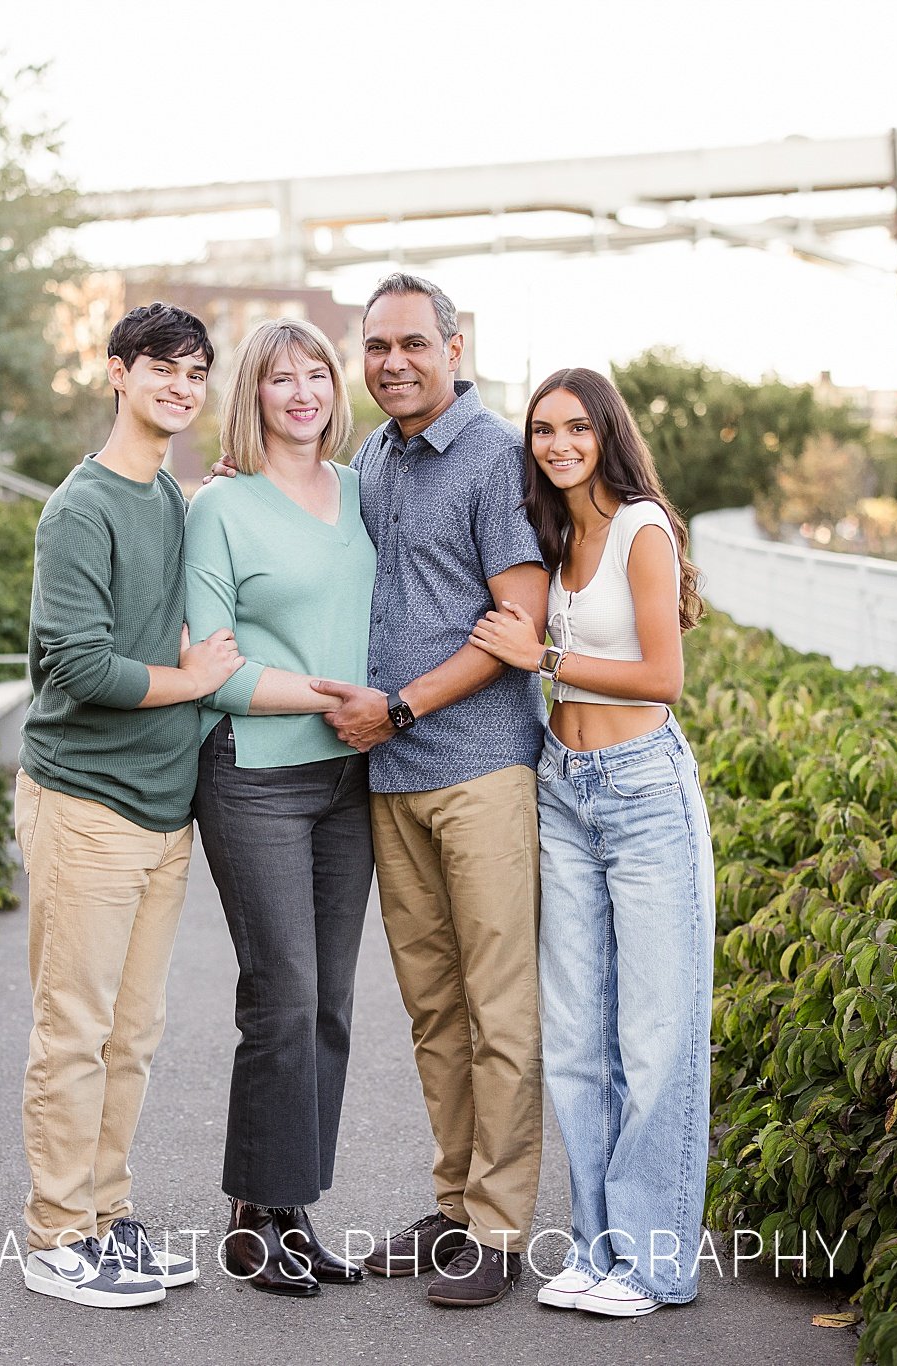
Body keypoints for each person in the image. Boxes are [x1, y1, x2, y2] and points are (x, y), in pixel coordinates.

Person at [297, 273, 551, 1309]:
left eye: (410, 342)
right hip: (389, 779)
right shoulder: (371, 459)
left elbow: (514, 628)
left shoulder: (496, 459)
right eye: (376, 347)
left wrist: (396, 708)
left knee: (498, 1008)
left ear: (453, 346)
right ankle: (451, 1206)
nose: (391, 361)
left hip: (478, 769)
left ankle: (497, 1226)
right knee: (433, 1008)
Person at [469, 366, 715, 1318]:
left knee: (654, 1037)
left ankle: (655, 1266)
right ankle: (597, 1247)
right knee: (575, 1035)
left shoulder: (643, 529)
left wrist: (546, 659)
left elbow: (665, 676)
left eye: (576, 427)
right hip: (564, 791)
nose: (558, 444)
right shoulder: (556, 531)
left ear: (607, 433)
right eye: (542, 430)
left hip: (644, 789)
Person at [15, 302, 243, 1310]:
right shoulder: (81, 507)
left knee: (130, 1034)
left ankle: (104, 1216)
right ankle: (53, 1234)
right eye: (162, 368)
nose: (181, 387)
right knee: (74, 1030)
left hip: (161, 810)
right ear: (116, 373)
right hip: (86, 805)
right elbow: (72, 664)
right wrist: (190, 683)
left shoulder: (169, 500)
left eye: (195, 373)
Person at [184, 318, 378, 1298]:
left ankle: (295, 1206)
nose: (299, 392)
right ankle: (253, 1219)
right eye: (278, 378)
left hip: (349, 781)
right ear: (252, 396)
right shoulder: (219, 506)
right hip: (256, 769)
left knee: (332, 1003)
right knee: (283, 994)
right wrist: (333, 700)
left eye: (314, 374)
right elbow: (212, 668)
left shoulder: (359, 491)